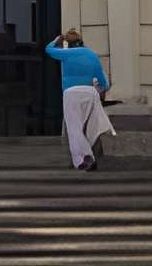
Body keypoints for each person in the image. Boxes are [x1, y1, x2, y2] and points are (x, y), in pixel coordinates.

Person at [46, 29, 114, 172]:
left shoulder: (67, 53)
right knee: (91, 125)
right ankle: (86, 156)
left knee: (74, 128)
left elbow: (49, 50)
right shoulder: (92, 54)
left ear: (68, 43)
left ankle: (85, 157)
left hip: (72, 93)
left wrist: (57, 39)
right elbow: (104, 83)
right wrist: (101, 90)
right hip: (90, 93)